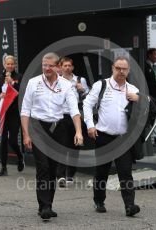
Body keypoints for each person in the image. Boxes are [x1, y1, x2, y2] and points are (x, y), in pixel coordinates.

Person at [21, 52, 83, 220]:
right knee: (43, 167)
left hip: (58, 129)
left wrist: (78, 131)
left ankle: (49, 203)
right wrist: (26, 135)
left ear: (57, 67)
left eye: (50, 66)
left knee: (54, 169)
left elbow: (74, 110)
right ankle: (44, 206)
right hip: (38, 128)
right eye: (44, 65)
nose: (47, 68)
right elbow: (25, 110)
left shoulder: (66, 84)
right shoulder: (33, 83)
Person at [83, 56, 141, 217]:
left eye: (124, 69)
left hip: (123, 139)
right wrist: (90, 125)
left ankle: (130, 205)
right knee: (102, 171)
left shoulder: (133, 89)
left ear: (128, 71)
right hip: (103, 136)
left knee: (125, 172)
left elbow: (148, 109)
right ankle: (99, 200)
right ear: (113, 68)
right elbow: (87, 104)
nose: (121, 72)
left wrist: (139, 99)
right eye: (118, 68)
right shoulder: (101, 85)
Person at [56, 57, 89, 187]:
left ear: (73, 67)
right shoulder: (57, 81)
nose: (67, 68)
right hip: (62, 116)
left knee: (75, 146)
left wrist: (83, 89)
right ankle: (60, 175)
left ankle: (71, 174)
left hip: (77, 116)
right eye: (65, 65)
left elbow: (89, 97)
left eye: (70, 65)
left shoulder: (80, 80)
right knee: (62, 145)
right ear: (60, 67)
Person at [0, 55, 25, 176]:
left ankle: (20, 157)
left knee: (12, 140)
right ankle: (3, 167)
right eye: (7, 64)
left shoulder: (19, 77)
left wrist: (12, 83)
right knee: (3, 140)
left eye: (11, 64)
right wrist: (0, 96)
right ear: (4, 64)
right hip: (4, 113)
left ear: (14, 65)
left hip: (14, 113)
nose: (10, 66)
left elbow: (21, 92)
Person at [144, 48, 156, 146]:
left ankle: (151, 137)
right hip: (147, 97)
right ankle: (150, 138)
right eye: (155, 54)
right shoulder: (145, 67)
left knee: (153, 117)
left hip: (155, 98)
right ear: (149, 55)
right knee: (148, 117)